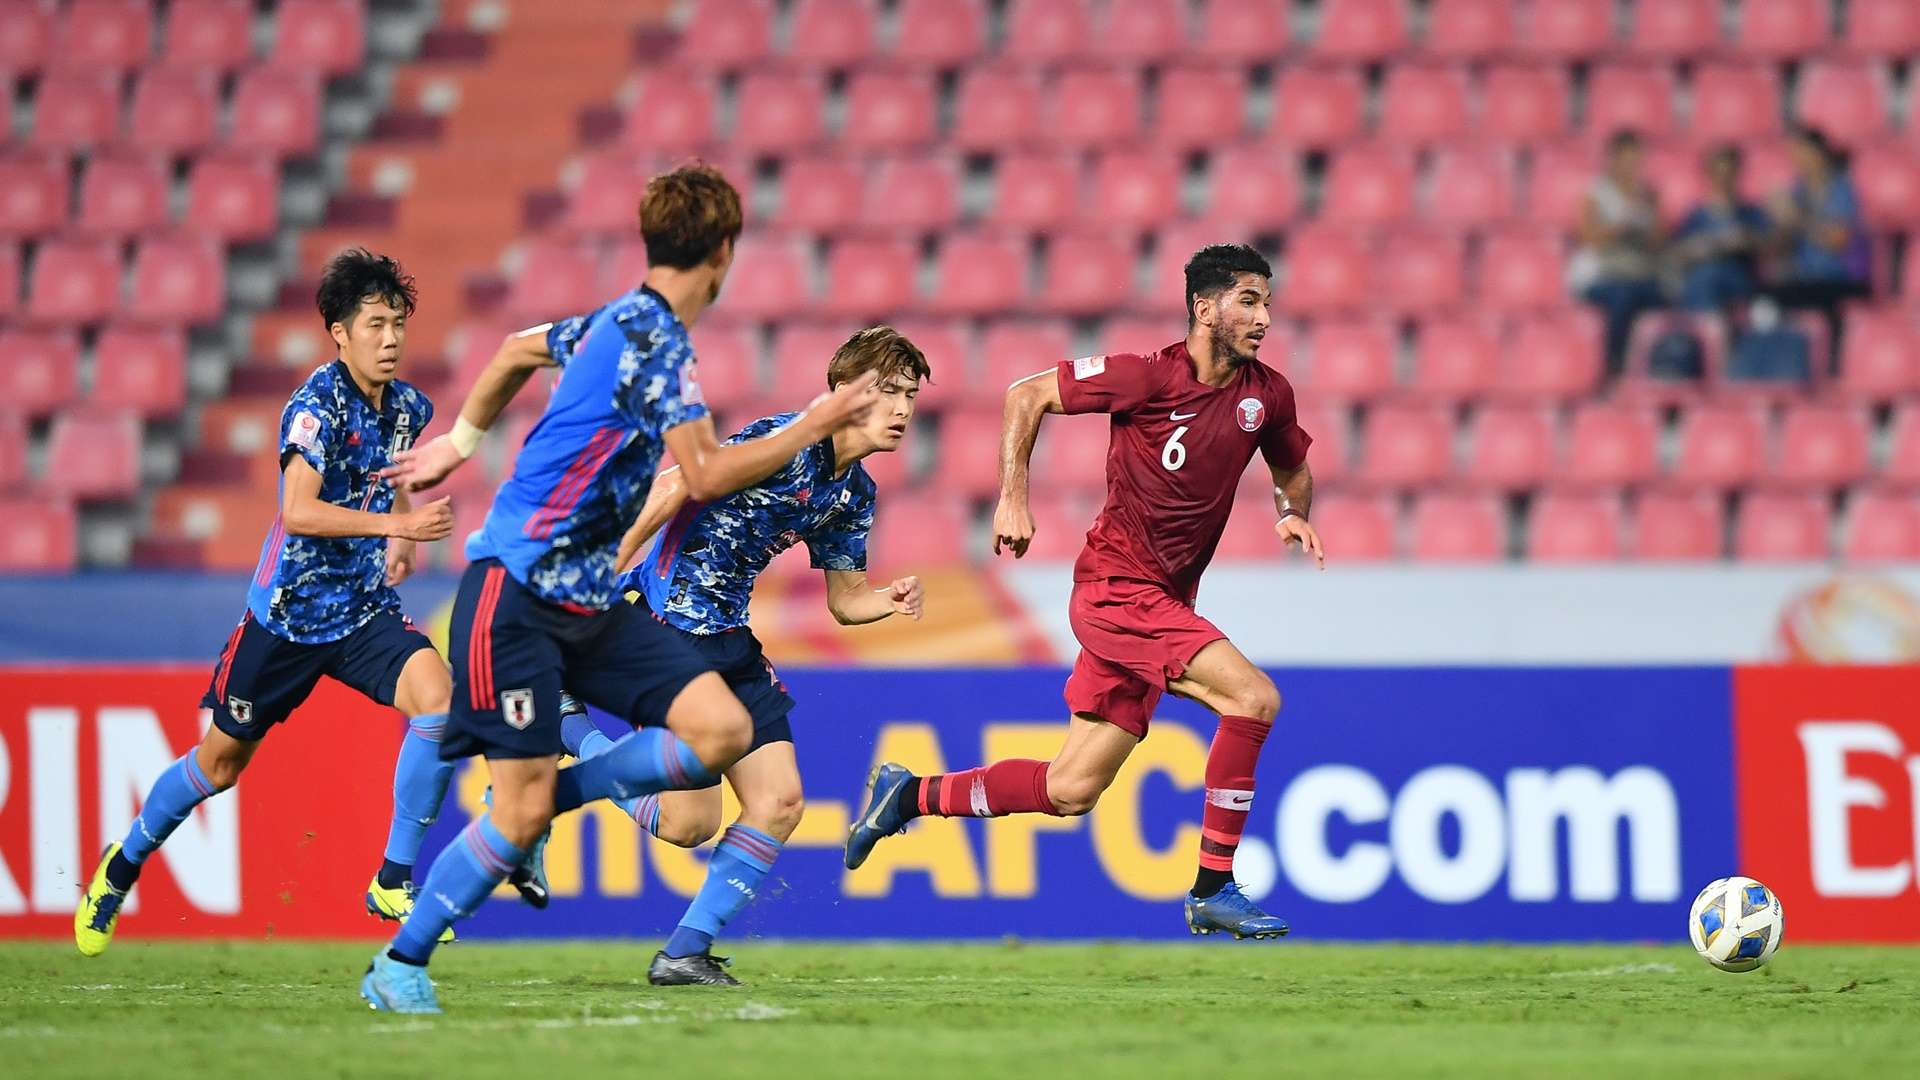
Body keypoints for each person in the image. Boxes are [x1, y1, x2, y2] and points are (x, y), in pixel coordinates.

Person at [357, 163, 878, 1014]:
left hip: (589, 601)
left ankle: (548, 795)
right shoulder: (660, 344)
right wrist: (815, 423)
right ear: (723, 252)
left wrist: (461, 440)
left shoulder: (616, 321)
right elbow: (703, 475)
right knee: (519, 815)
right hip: (515, 597)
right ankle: (400, 963)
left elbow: (514, 349)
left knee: (721, 729)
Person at [844, 243, 1322, 939]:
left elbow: (1291, 465)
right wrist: (1012, 498)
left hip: (1163, 603)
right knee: (1253, 699)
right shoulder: (1145, 378)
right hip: (1116, 590)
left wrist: (1291, 510)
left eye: (1267, 303)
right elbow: (1026, 393)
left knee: (1070, 789)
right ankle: (1212, 887)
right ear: (1204, 308)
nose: (1264, 318)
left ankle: (909, 795)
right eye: (1248, 302)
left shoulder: (1267, 394)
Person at [74, 250, 459, 956]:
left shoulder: (408, 407)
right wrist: (397, 528)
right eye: (375, 325)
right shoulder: (314, 409)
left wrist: (400, 521)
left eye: (398, 324)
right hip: (288, 618)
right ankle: (121, 865)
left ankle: (393, 878)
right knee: (219, 766)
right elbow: (299, 512)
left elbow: (394, 470)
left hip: (362, 610)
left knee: (439, 700)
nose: (391, 339)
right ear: (339, 333)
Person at [554, 326, 930, 987]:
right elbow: (675, 485)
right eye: (887, 392)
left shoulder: (855, 494)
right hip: (665, 631)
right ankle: (571, 732)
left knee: (779, 802)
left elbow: (846, 602)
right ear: (843, 391)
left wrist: (888, 600)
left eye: (910, 397)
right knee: (689, 824)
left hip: (729, 639)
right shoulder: (784, 442)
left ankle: (683, 953)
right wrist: (597, 579)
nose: (902, 410)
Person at [1766, 124, 1871, 371]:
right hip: (1806, 279)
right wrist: (1779, 222)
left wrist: (1797, 218)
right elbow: (1780, 248)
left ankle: (1830, 367)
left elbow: (1838, 240)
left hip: (1841, 279)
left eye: (1802, 152)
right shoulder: (1797, 192)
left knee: (1823, 306)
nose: (1798, 160)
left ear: (1819, 154)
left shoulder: (1842, 190)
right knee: (1766, 300)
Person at [1569, 129, 1666, 375]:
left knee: (1662, 300)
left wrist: (1646, 224)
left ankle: (1659, 369)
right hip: (1606, 276)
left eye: (1636, 159)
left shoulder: (1648, 195)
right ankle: (1615, 364)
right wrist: (1620, 228)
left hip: (1641, 274)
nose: (1632, 165)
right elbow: (1589, 238)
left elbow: (1659, 242)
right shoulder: (1595, 194)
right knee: (1622, 298)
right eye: (1627, 158)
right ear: (1613, 158)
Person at [1671, 145, 1771, 316]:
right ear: (1709, 174)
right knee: (1706, 277)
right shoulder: (1695, 216)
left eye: (1729, 173)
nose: (1723, 180)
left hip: (1739, 280)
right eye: (1718, 173)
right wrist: (1702, 247)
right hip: (1703, 282)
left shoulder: (1749, 213)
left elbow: (1769, 245)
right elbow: (1678, 252)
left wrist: (1747, 239)